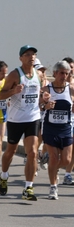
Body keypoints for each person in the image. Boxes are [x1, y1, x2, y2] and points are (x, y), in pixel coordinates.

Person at [0, 45, 41, 201]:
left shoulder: (39, 75)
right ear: (21, 58)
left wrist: (45, 100)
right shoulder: (15, 75)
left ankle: (28, 188)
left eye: (33, 54)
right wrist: (13, 91)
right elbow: (0, 95)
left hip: (33, 118)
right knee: (11, 151)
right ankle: (4, 176)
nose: (31, 57)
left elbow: (40, 96)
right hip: (16, 119)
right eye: (27, 54)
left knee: (33, 153)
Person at [39, 61, 74, 199]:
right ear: (54, 73)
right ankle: (53, 187)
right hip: (50, 128)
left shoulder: (71, 89)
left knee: (66, 160)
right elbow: (38, 105)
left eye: (66, 73)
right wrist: (45, 106)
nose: (64, 76)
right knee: (53, 158)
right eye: (61, 73)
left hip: (66, 128)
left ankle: (52, 169)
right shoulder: (47, 89)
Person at [61, 57, 74, 185]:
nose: (71, 70)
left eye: (72, 67)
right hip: (62, 121)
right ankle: (47, 156)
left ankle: (68, 174)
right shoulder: (59, 85)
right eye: (68, 68)